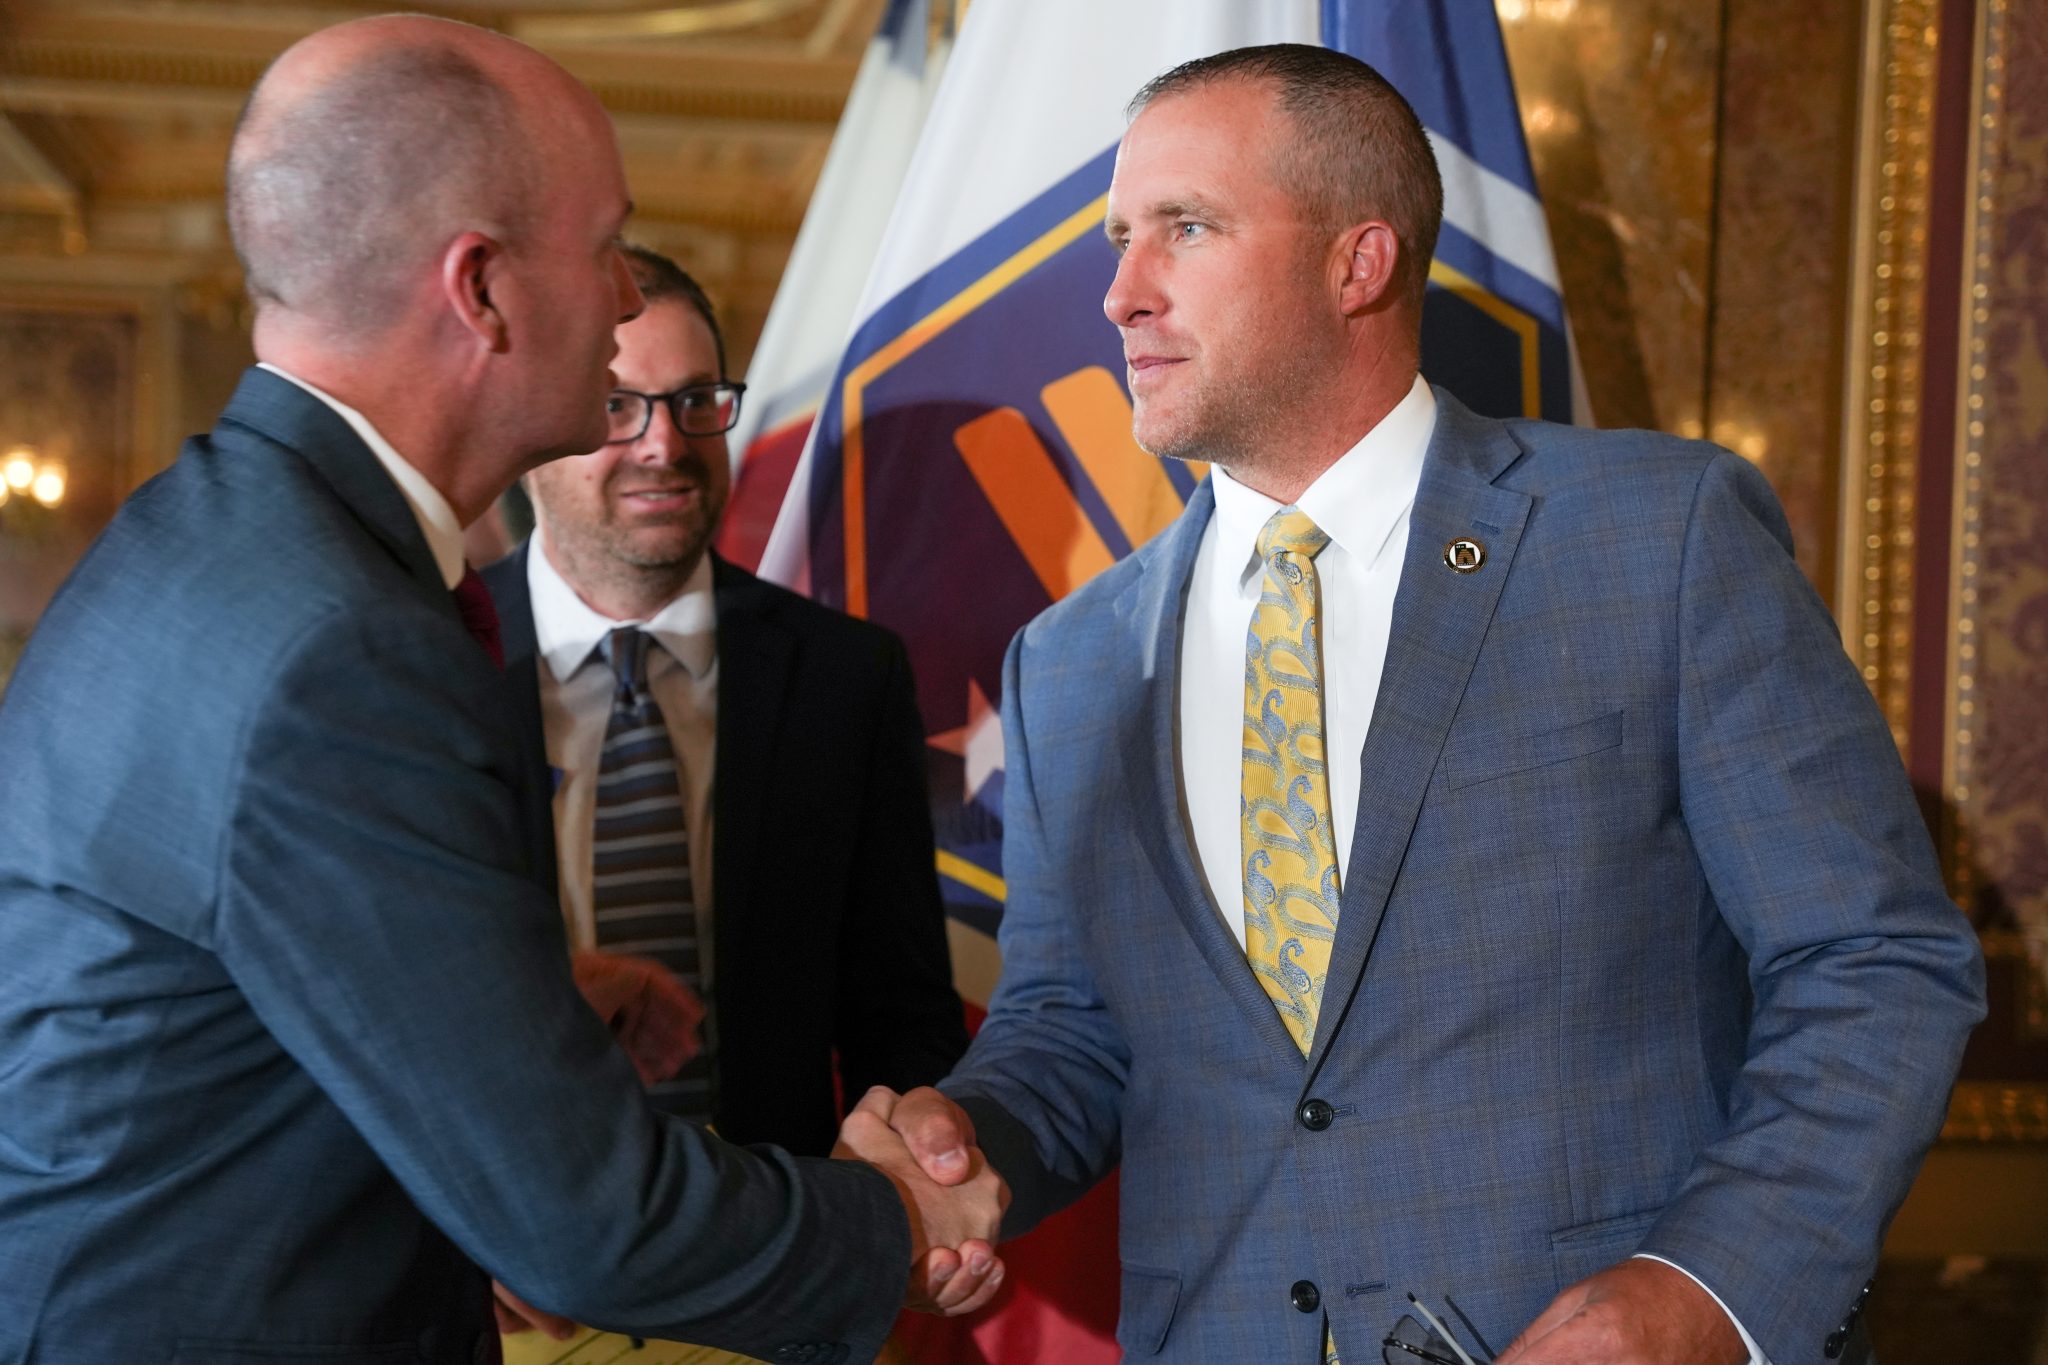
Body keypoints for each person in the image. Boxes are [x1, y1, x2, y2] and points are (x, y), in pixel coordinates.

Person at [876, 43, 1986, 1365]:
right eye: (1120, 240)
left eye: (1187, 228)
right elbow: (1073, 1038)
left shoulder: (1656, 538)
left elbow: (1874, 963)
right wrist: (965, 1145)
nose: (1120, 293)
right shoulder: (1069, 662)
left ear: (1358, 262)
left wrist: (1702, 1293)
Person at [0, 16, 1002, 1364]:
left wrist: (513, 997)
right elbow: (591, 1223)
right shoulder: (340, 644)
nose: (622, 300)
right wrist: (897, 1221)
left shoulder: (216, 535)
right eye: (605, 246)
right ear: (481, 290)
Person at [481, 245, 968, 1151]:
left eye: (696, 401)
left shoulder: (845, 677)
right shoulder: (426, 657)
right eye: (616, 405)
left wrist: (909, 1174)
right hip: (496, 1220)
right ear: (532, 424)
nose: (664, 444)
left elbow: (900, 1017)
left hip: (770, 1218)